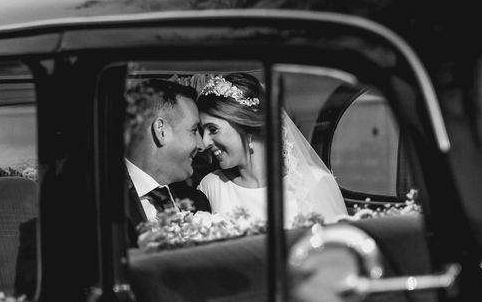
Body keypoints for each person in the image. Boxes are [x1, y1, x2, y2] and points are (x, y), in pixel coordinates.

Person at [196, 73, 347, 225]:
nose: (204, 142)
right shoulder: (210, 187)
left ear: (246, 124)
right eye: (202, 132)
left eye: (213, 129)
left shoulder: (314, 182)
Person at [124, 79, 211, 236]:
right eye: (193, 130)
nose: (202, 145)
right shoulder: (99, 199)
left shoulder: (198, 201)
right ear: (161, 131)